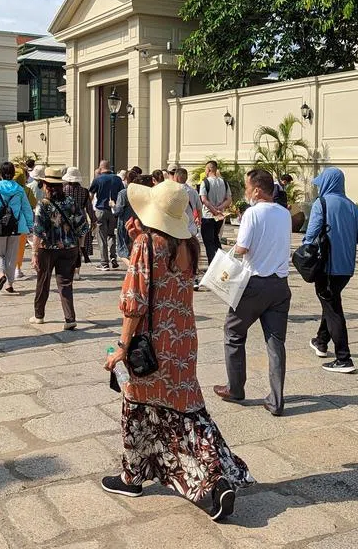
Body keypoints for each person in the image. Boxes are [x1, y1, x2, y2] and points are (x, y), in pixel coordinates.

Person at [101, 179, 252, 520]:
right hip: (182, 342)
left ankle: (132, 476)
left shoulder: (145, 244)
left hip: (151, 345)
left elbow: (135, 302)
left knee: (137, 410)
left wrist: (122, 347)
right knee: (187, 412)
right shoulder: (188, 244)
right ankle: (216, 480)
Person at [215, 169, 292, 415]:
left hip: (254, 282)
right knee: (275, 341)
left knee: (234, 332)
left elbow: (243, 248)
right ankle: (276, 399)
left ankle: (235, 388)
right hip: (280, 285)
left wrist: (225, 260)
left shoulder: (252, 214)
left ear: (257, 190)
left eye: (248, 187)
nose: (246, 192)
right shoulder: (285, 213)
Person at [304, 167, 358, 374]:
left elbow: (310, 237)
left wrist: (304, 253)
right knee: (330, 301)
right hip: (345, 269)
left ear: (327, 184)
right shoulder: (353, 208)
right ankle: (320, 341)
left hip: (325, 266)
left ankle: (343, 358)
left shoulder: (322, 204)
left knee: (333, 309)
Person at [31, 167, 90, 328]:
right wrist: (79, 247)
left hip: (47, 249)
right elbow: (83, 228)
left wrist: (34, 253)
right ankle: (70, 318)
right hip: (69, 248)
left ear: (45, 185)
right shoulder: (71, 202)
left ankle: (39, 315)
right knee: (65, 283)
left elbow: (38, 231)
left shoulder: (43, 205)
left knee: (43, 281)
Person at [0, 162, 33, 295]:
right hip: (15, 226)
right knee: (11, 256)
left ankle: (1, 274)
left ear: (1, 174)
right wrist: (30, 225)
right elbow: (26, 209)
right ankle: (9, 283)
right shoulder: (20, 189)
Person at [89, 161, 124, 270]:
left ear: (100, 168)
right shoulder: (117, 179)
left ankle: (104, 263)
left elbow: (91, 195)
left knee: (102, 237)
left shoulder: (98, 179)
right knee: (111, 235)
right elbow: (122, 193)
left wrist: (89, 209)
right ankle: (113, 257)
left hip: (101, 209)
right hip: (113, 210)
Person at [62, 167, 96, 281]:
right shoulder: (84, 191)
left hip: (66, 218)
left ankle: (68, 269)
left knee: (68, 245)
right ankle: (77, 271)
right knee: (80, 246)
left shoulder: (63, 190)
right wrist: (93, 220)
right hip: (81, 218)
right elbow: (89, 208)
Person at [199, 161, 231, 266]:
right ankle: (221, 264)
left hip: (207, 216)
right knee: (216, 240)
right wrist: (219, 208)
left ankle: (212, 267)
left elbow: (204, 199)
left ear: (208, 169)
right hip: (219, 217)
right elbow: (228, 199)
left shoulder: (205, 182)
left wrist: (213, 209)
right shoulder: (224, 182)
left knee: (209, 244)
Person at [12, 162, 39, 280]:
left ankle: (6, 269)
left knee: (7, 246)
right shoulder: (26, 190)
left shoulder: (2, 188)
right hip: (21, 222)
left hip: (5, 223)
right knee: (20, 246)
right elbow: (33, 204)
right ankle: (17, 269)